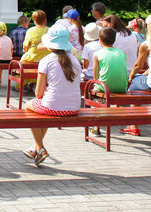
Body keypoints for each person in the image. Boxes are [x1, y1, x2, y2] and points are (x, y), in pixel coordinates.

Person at [23, 26, 82, 166]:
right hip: (74, 107)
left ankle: (40, 147)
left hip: (53, 106)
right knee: (46, 108)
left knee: (29, 106)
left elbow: (38, 93)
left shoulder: (46, 61)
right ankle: (35, 148)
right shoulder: (75, 61)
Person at [91, 27, 128, 94]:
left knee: (93, 87)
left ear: (100, 40)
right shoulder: (121, 52)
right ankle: (117, 105)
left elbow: (95, 77)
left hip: (104, 87)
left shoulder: (97, 54)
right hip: (122, 87)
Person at [104, 14, 140, 78]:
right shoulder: (133, 35)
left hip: (119, 72)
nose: (104, 29)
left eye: (105, 26)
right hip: (133, 70)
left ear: (111, 25)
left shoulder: (113, 37)